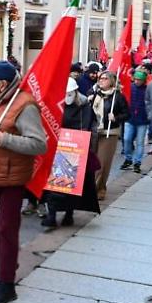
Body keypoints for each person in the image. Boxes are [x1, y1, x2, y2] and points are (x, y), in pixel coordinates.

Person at [0, 61, 47, 303]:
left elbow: (39, 144)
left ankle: (7, 283)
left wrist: (4, 138)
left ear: (3, 84)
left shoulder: (25, 106)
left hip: (11, 176)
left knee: (7, 227)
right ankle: (0, 259)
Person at [43, 78, 100, 228]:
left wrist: (89, 148)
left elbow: (92, 128)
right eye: (65, 93)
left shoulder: (85, 108)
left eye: (70, 93)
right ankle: (52, 215)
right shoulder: (55, 106)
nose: (67, 96)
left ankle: (69, 214)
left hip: (77, 150)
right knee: (53, 186)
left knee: (73, 187)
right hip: (57, 151)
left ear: (75, 92)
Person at [90, 71, 129, 200]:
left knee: (102, 162)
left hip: (109, 132)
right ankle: (92, 188)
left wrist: (116, 118)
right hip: (94, 131)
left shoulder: (117, 97)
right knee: (92, 161)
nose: (101, 80)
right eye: (100, 78)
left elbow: (127, 114)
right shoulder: (94, 94)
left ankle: (99, 189)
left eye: (105, 78)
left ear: (111, 81)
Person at [121, 69, 150, 173]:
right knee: (126, 139)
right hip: (130, 118)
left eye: (139, 80)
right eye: (136, 79)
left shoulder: (148, 90)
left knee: (140, 142)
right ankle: (128, 158)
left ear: (144, 80)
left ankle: (137, 162)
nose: (137, 81)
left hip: (143, 119)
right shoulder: (129, 87)